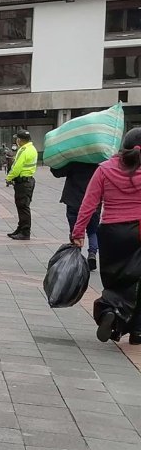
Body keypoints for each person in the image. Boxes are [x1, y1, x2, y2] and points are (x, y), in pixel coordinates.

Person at [72, 127, 141, 344]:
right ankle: (138, 331)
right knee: (138, 280)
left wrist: (78, 232)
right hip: (139, 229)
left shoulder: (105, 169)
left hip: (110, 232)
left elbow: (89, 203)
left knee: (115, 277)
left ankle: (110, 312)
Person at [52, 161, 101, 271]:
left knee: (75, 231)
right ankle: (92, 253)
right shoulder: (97, 162)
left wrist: (53, 164)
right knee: (93, 231)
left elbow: (57, 172)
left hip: (73, 201)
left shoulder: (74, 160)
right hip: (93, 202)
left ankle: (76, 257)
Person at [6, 130, 38, 240]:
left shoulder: (23, 150)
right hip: (29, 181)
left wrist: (8, 177)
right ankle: (20, 229)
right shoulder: (32, 148)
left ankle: (25, 232)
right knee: (23, 206)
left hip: (23, 183)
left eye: (17, 139)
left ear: (20, 140)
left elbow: (17, 167)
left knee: (23, 207)